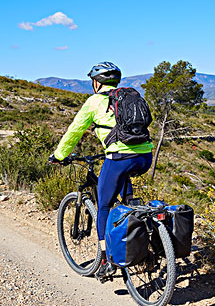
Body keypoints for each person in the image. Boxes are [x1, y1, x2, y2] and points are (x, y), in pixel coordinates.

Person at [48, 62, 153, 281]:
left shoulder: (94, 101)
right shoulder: (130, 96)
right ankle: (148, 242)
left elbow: (74, 131)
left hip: (119, 158)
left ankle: (105, 260)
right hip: (145, 156)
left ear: (97, 83)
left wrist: (59, 155)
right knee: (127, 200)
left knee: (104, 205)